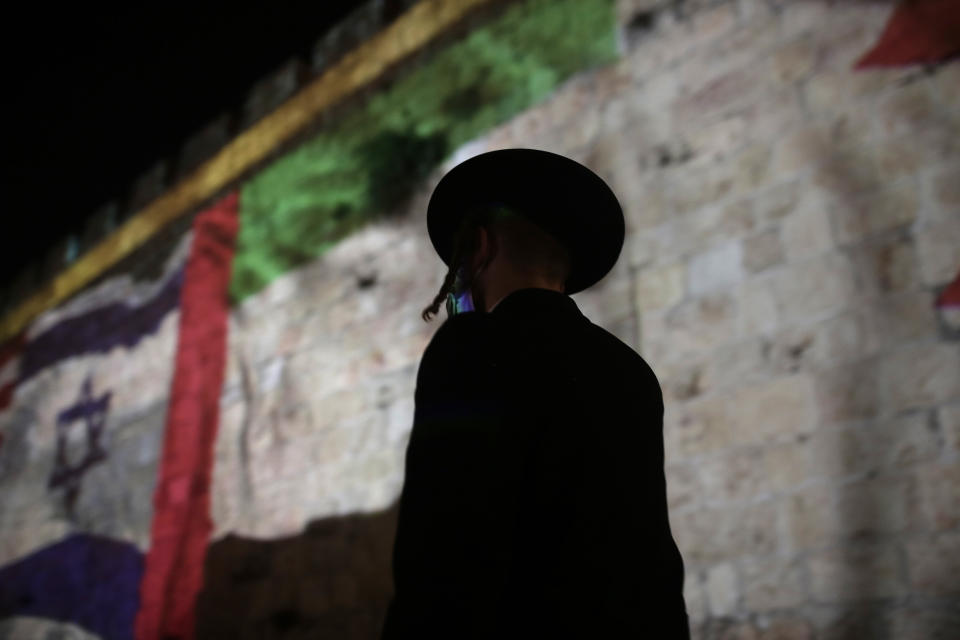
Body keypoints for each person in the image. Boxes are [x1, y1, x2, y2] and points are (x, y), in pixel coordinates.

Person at [380, 149, 689, 638]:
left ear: (478, 248)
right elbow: (648, 559)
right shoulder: (630, 369)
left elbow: (444, 553)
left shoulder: (471, 346)